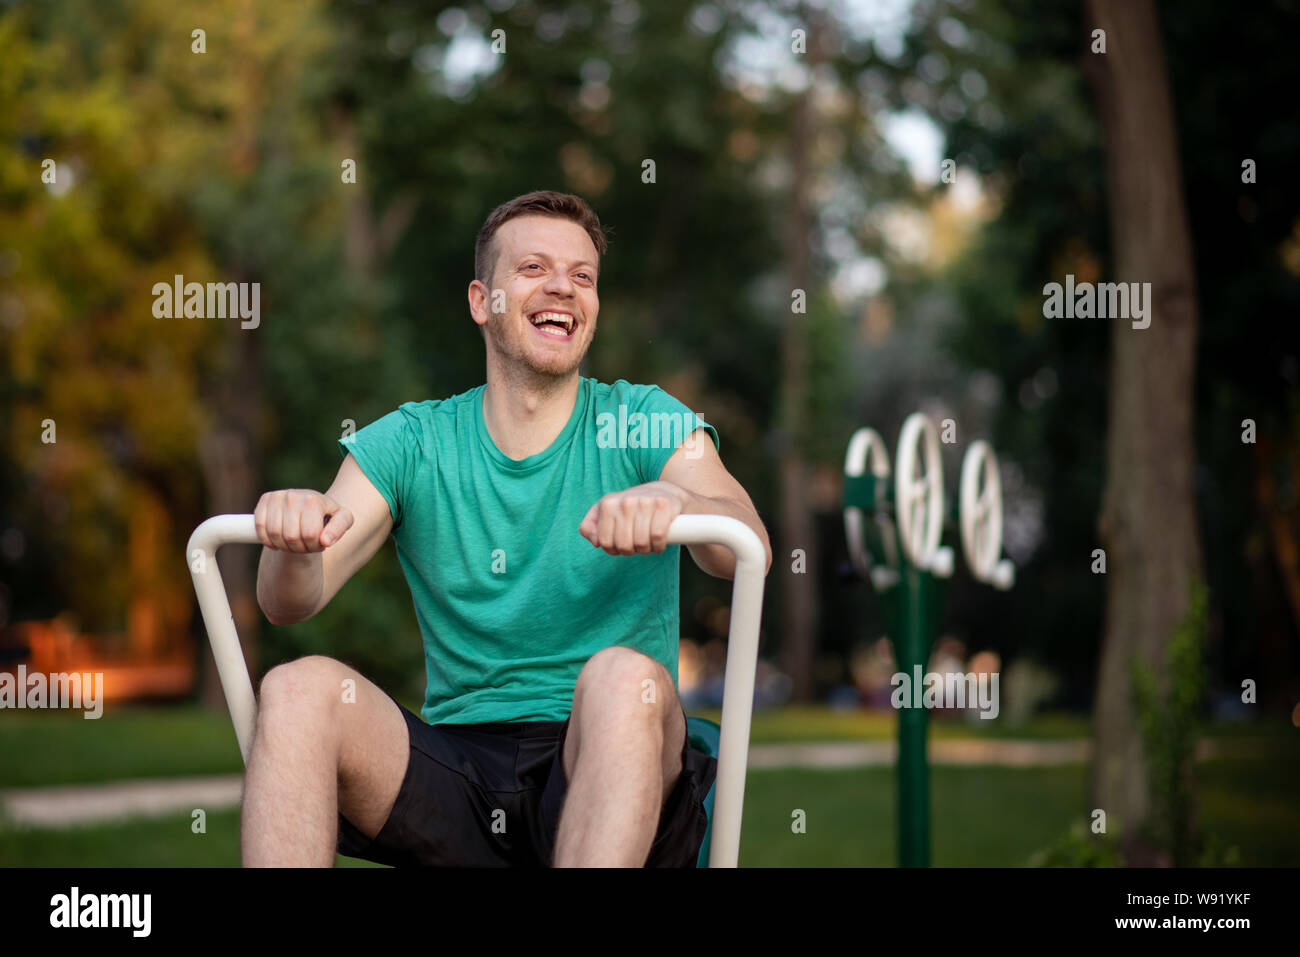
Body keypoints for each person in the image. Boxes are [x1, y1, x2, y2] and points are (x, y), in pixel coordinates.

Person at [243, 190, 772, 867]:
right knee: (294, 689)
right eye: (533, 268)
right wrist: (289, 541)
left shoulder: (643, 419)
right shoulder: (416, 439)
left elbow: (746, 542)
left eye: (583, 275)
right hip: (463, 771)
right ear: (478, 301)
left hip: (614, 755)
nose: (563, 286)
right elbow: (291, 601)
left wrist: (678, 501)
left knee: (618, 679)